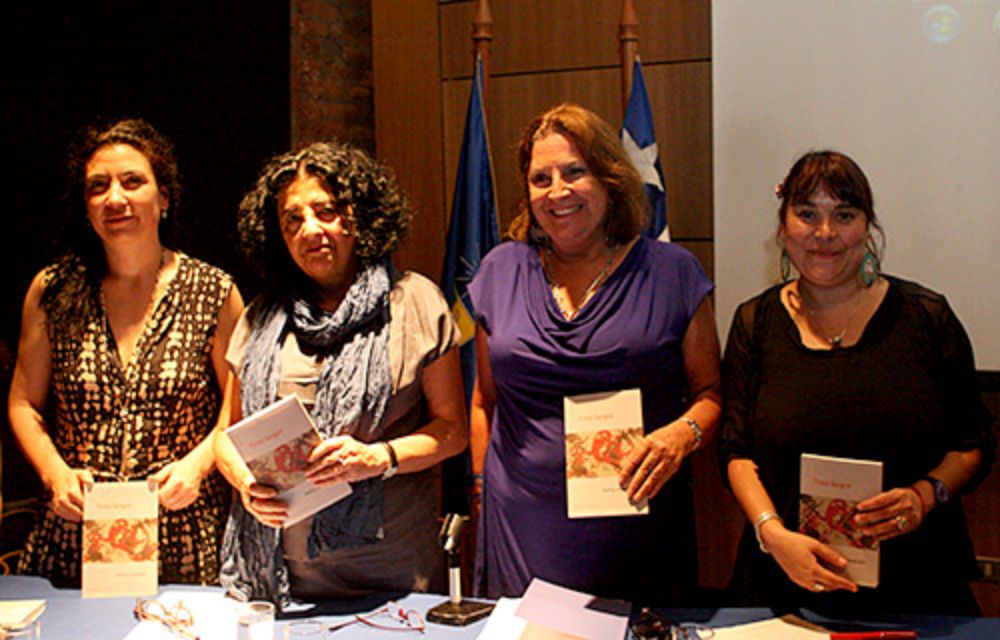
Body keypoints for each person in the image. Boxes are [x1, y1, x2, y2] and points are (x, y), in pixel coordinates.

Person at [720, 150, 996, 616]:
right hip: (783, 584)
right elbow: (735, 451)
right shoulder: (754, 322)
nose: (825, 232)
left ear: (868, 227)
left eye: (844, 215)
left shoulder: (927, 317)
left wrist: (925, 495)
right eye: (807, 214)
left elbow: (974, 445)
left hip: (918, 588)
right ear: (783, 228)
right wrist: (771, 532)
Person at [468, 103, 722, 603]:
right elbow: (483, 401)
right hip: (523, 529)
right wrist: (480, 486)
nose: (557, 191)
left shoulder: (672, 272)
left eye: (574, 172)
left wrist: (680, 436)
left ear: (609, 179)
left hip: (637, 526)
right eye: (541, 178)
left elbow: (710, 394)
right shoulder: (500, 270)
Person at [215, 141, 468, 606]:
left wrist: (379, 457)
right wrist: (247, 486)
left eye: (326, 211)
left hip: (392, 576)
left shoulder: (414, 301)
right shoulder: (261, 317)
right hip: (279, 579)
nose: (310, 230)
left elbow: (453, 431)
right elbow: (225, 436)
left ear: (361, 216)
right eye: (292, 220)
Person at [8, 118, 244, 585]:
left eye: (132, 181)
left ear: (164, 197)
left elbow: (236, 409)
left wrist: (199, 466)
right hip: (76, 530)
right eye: (98, 187)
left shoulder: (213, 291)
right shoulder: (53, 290)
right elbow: (22, 403)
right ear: (86, 206)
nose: (115, 198)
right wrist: (54, 473)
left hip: (183, 532)